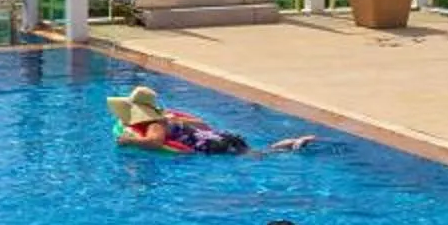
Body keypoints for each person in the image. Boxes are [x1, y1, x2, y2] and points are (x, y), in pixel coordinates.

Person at [108, 85, 313, 155]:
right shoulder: (169, 119)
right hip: (216, 137)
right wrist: (180, 123)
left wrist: (129, 140)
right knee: (256, 151)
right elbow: (204, 125)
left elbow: (156, 141)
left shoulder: (154, 124)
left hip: (212, 145)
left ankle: (291, 148)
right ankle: (288, 144)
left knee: (257, 155)